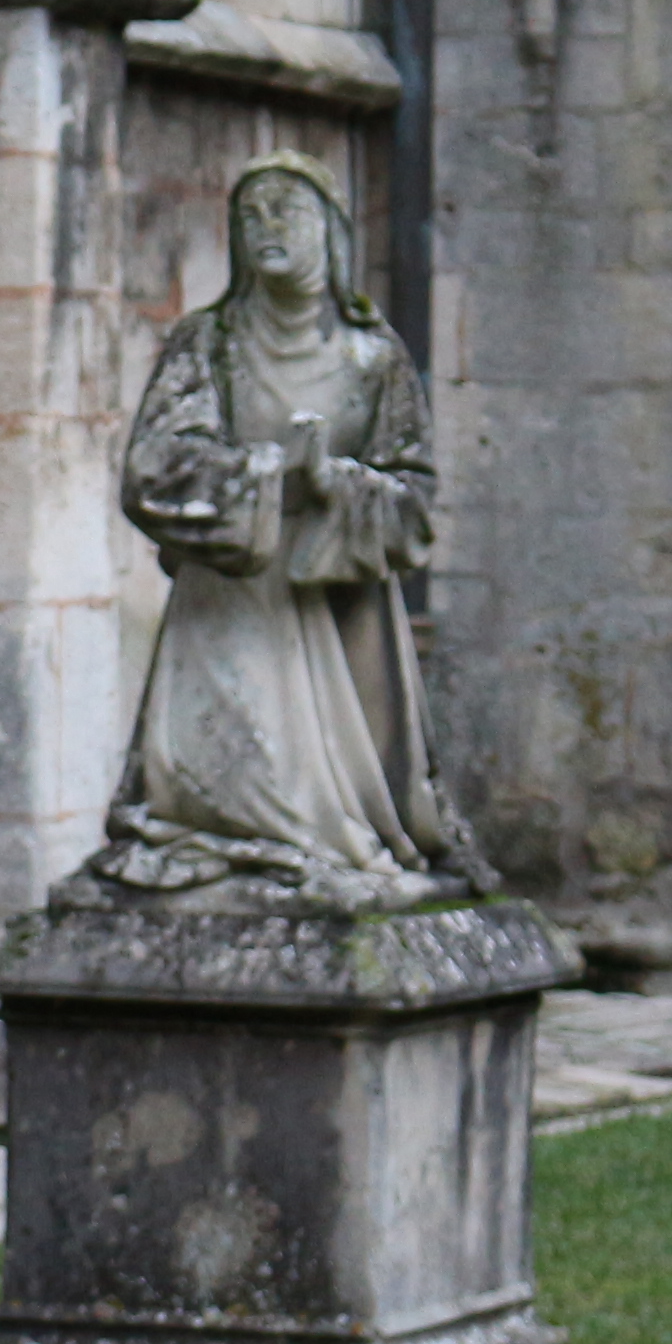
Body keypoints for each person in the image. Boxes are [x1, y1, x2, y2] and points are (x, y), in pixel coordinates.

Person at [91, 156, 475, 908]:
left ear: (331, 233)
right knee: (222, 773)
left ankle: (333, 846)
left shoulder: (373, 359)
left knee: (327, 802)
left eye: (285, 212)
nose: (266, 229)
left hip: (335, 604)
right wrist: (267, 477)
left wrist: (343, 488)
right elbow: (152, 467)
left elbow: (418, 500)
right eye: (250, 215)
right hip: (232, 593)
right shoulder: (208, 343)